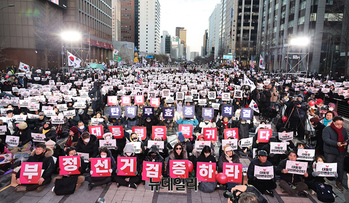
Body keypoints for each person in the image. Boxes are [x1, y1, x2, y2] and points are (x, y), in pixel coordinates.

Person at [322, 116, 348, 191]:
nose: (340, 126)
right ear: (333, 123)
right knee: (328, 166)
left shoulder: (344, 130)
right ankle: (326, 179)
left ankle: (339, 181)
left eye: (341, 124)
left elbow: (346, 138)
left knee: (340, 167)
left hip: (341, 151)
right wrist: (336, 143)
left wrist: (346, 142)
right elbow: (326, 139)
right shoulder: (327, 129)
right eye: (338, 124)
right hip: (330, 151)